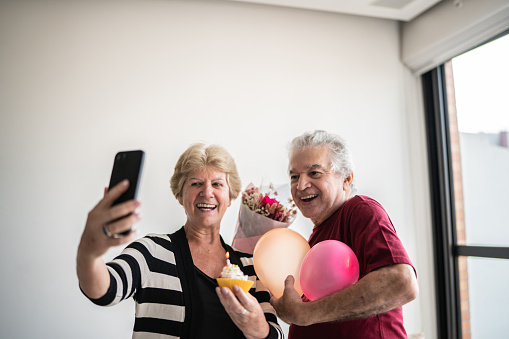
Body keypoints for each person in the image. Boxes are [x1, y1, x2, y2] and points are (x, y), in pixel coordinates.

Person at [77, 143, 283, 339]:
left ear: (230, 197)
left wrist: (259, 329)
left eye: (217, 184)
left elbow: (276, 333)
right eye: (196, 183)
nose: (207, 192)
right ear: (180, 195)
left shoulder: (251, 267)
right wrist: (89, 252)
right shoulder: (151, 252)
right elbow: (105, 290)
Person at [270, 130, 418, 338]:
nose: (301, 185)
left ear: (346, 179)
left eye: (314, 173)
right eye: (294, 176)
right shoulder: (316, 237)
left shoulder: (361, 210)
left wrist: (304, 314)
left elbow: (401, 283)